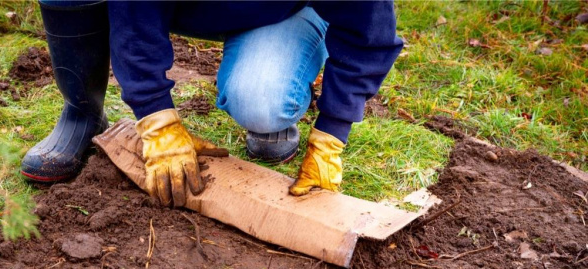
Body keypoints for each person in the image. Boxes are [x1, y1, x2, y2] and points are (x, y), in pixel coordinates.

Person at [22, 1, 403, 208]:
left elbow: (369, 31)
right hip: (188, 7)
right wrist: (156, 116)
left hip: (280, 10)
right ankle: (82, 112)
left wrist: (332, 134)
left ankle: (274, 104)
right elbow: (134, 15)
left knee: (261, 101)